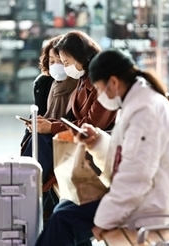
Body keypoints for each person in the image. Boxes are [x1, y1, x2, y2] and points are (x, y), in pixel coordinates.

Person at [34, 49, 169, 246]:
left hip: (156, 201)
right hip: (146, 194)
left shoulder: (145, 110)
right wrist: (98, 141)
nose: (101, 95)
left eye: (100, 89)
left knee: (64, 219)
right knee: (66, 209)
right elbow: (126, 158)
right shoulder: (136, 102)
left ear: (113, 82)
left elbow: (136, 177)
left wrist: (104, 220)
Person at [22, 31, 117, 185]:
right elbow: (75, 119)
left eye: (66, 62)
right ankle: (28, 187)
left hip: (96, 143)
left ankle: (26, 186)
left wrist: (52, 126)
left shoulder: (102, 84)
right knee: (38, 138)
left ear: (81, 57)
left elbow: (91, 125)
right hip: (81, 138)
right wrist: (47, 123)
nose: (65, 68)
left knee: (42, 142)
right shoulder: (82, 79)